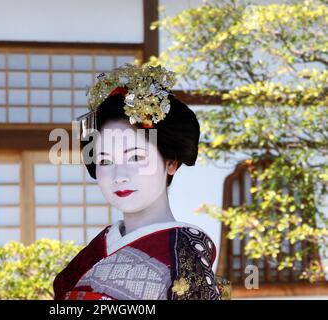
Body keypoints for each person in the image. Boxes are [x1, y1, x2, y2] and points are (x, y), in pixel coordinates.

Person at [53, 64, 221, 300]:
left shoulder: (183, 253)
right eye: (105, 160)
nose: (119, 175)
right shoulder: (94, 251)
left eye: (135, 157)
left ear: (171, 163)